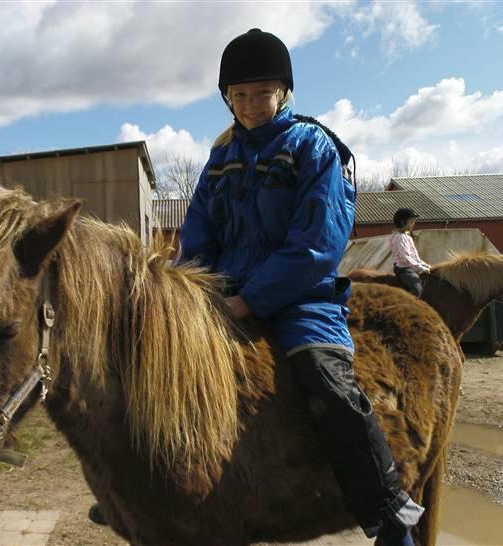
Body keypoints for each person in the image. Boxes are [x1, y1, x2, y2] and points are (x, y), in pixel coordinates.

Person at [177, 29, 423, 546]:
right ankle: (142, 490)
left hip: (301, 299)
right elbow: (197, 235)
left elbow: (318, 242)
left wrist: (251, 299)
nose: (249, 105)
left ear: (284, 92)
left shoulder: (314, 148)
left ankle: (387, 511)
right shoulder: (219, 161)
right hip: (222, 295)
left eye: (261, 93)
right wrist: (190, 292)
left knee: (325, 381)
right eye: (238, 95)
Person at [390, 207, 430, 297]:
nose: (413, 224)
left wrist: (426, 265)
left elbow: (415, 257)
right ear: (402, 222)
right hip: (404, 269)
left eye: (413, 222)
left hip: (411, 267)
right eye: (411, 222)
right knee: (417, 289)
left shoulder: (407, 237)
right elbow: (406, 258)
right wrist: (421, 268)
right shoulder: (398, 238)